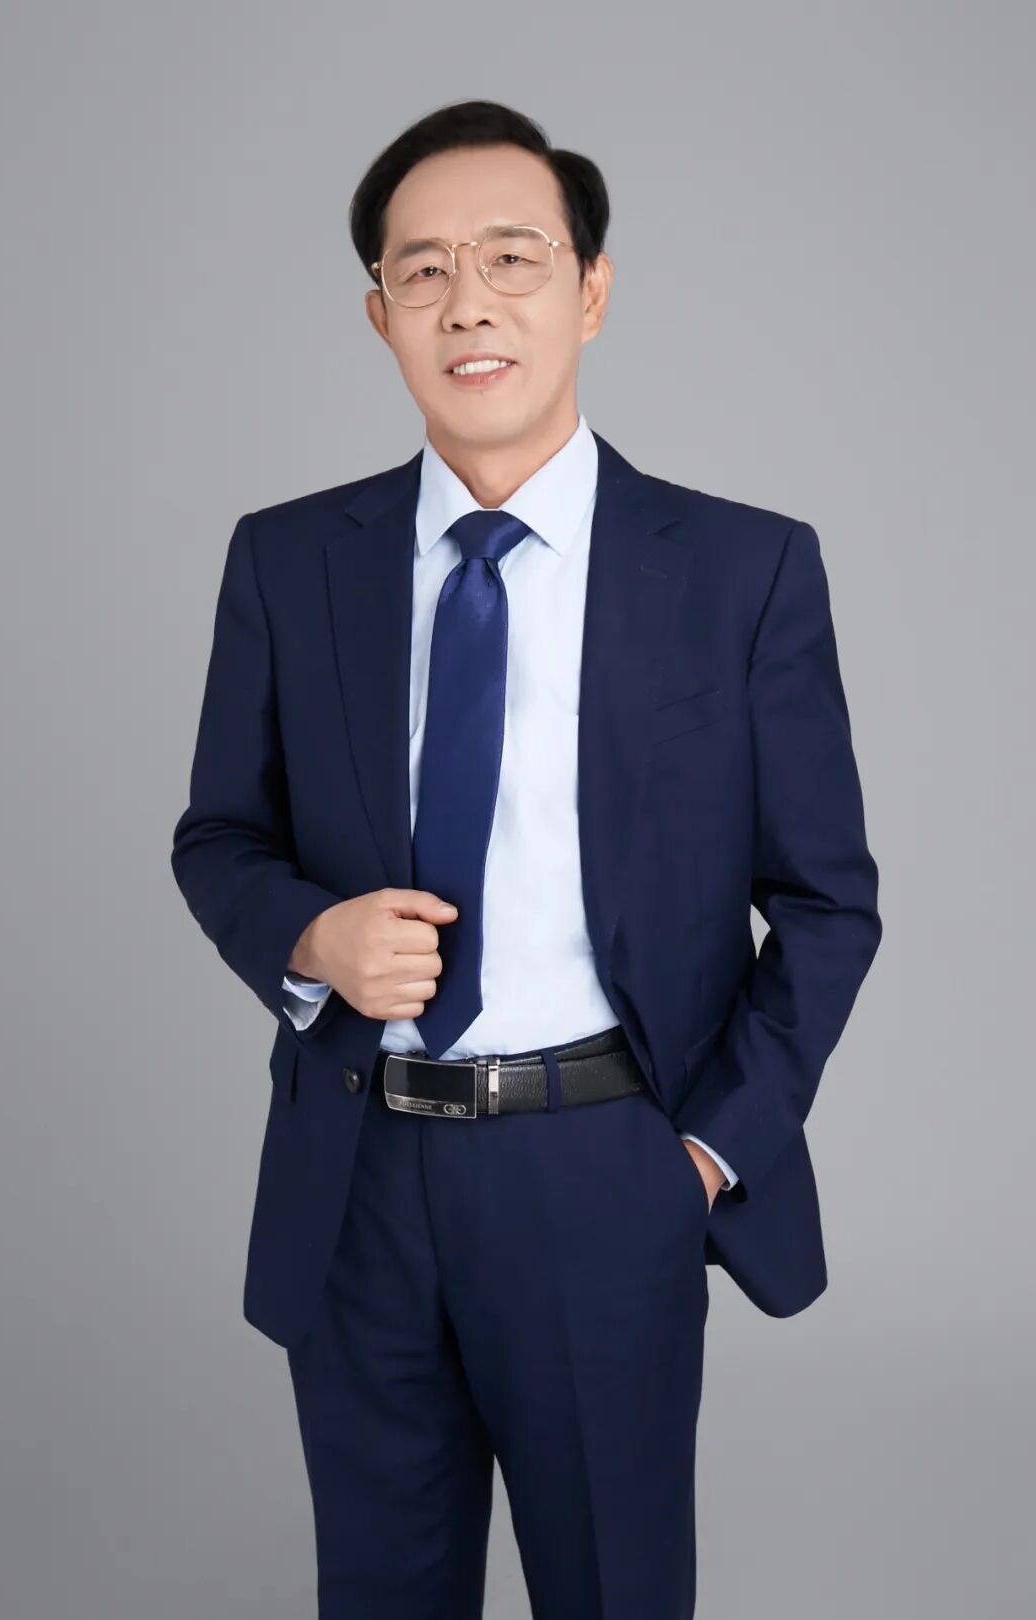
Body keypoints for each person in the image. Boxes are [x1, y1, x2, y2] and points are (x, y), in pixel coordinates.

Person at [170, 97, 882, 1620]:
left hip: (605, 1164)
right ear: (379, 313)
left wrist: (703, 1157)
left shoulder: (743, 569)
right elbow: (219, 835)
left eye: (512, 257)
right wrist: (310, 938)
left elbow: (830, 904)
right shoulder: (289, 561)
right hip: (359, 1171)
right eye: (422, 270)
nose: (468, 302)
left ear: (592, 290)